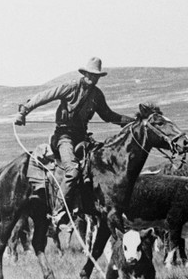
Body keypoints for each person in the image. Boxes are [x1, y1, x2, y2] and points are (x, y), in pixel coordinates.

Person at [14, 57, 133, 225]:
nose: (93, 78)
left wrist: (131, 122)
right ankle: (58, 211)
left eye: (97, 76)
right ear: (84, 74)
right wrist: (24, 111)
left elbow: (108, 115)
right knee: (73, 170)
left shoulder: (97, 95)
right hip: (63, 137)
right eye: (91, 75)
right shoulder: (70, 87)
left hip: (82, 138)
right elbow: (44, 96)